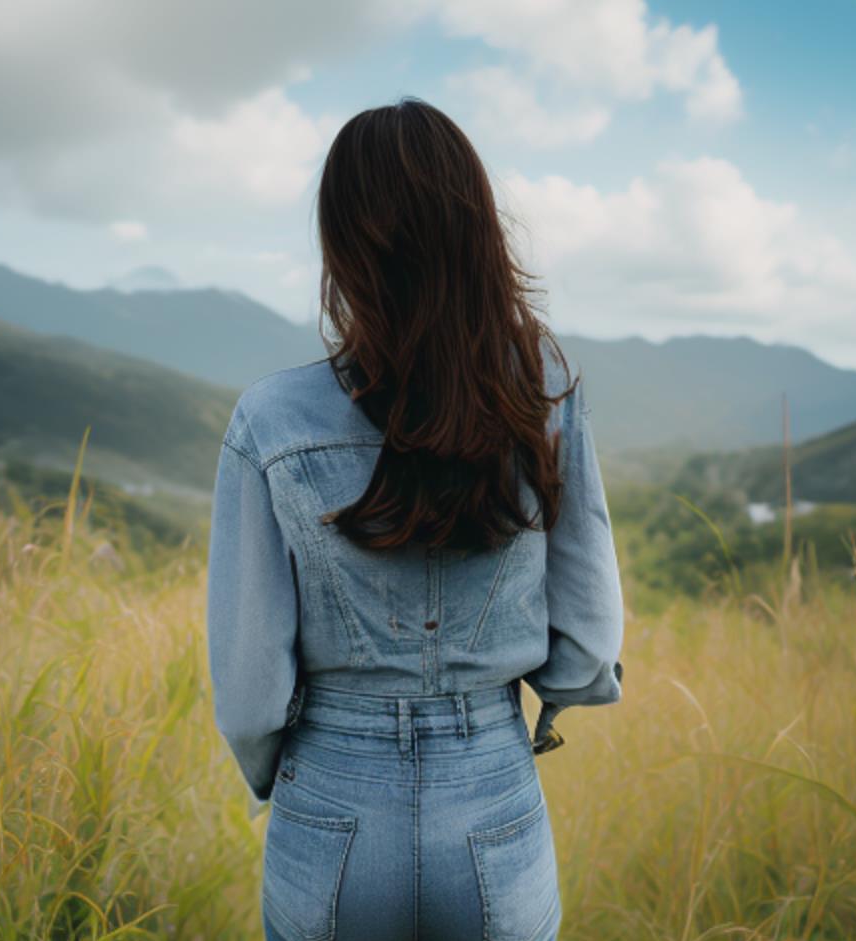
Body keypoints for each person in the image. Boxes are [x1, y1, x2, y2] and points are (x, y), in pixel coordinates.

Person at [206, 96, 625, 941]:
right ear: (476, 234)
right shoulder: (538, 393)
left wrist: (282, 777)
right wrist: (538, 710)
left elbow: (251, 687)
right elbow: (586, 638)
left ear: (343, 243)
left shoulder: (269, 418)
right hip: (491, 791)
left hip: (331, 796)